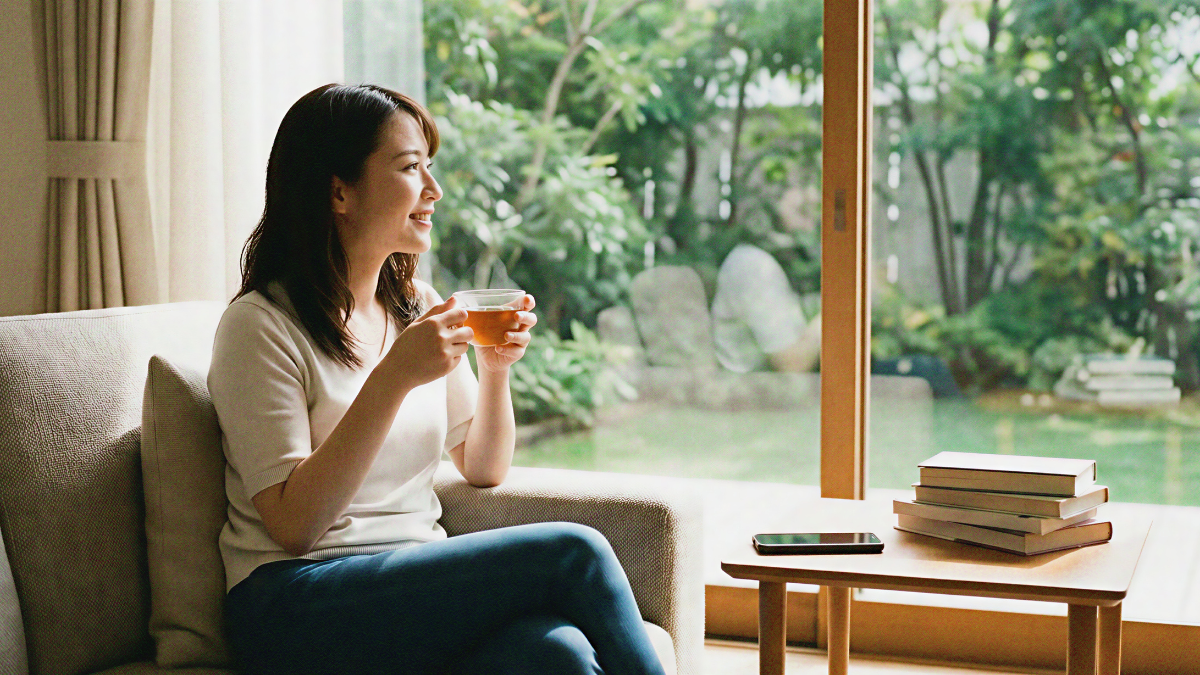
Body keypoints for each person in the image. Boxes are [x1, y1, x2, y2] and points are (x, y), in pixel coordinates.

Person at [208, 83, 667, 675]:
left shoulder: (412, 307)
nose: (434, 190)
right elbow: (294, 525)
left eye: (430, 167)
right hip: (293, 601)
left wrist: (495, 370)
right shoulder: (258, 326)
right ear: (339, 191)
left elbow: (483, 466)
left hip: (406, 585)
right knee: (575, 553)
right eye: (409, 168)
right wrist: (394, 377)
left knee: (560, 654)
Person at [710, 243, 821, 373]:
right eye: (804, 220)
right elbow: (791, 364)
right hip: (749, 387)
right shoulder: (753, 265)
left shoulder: (761, 261)